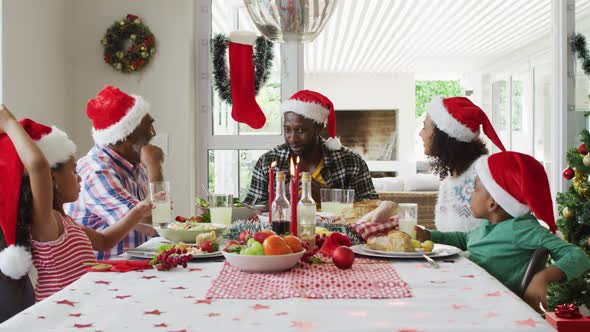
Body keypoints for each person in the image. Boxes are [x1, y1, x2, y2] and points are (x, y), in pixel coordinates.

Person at [0, 107, 152, 305]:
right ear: (52, 178)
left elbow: (104, 241)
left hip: (82, 304)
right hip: (60, 312)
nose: (80, 178)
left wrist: (138, 211)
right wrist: (9, 121)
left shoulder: (65, 221)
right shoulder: (47, 225)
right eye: (74, 172)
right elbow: (38, 166)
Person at [415, 151, 590, 312]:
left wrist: (543, 277)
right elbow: (465, 239)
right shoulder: (488, 225)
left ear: (493, 203)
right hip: (469, 292)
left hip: (488, 306)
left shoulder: (522, 229)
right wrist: (429, 235)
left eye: (475, 188)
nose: (470, 194)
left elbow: (578, 256)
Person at [65, 85, 164, 259]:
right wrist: (155, 166)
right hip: (104, 276)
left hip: (136, 269)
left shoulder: (133, 163)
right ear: (126, 136)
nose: (153, 133)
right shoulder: (97, 172)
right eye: (149, 127)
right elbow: (153, 222)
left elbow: (162, 223)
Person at [244, 90, 378, 206]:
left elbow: (372, 207)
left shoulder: (350, 162)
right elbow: (251, 212)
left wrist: (327, 197)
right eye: (287, 130)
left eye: (301, 130)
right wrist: (279, 197)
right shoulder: (267, 162)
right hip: (282, 235)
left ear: (318, 128)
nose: (292, 138)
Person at [419, 96, 506, 231]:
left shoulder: (484, 174)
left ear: (442, 135)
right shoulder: (450, 178)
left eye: (424, 127)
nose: (420, 133)